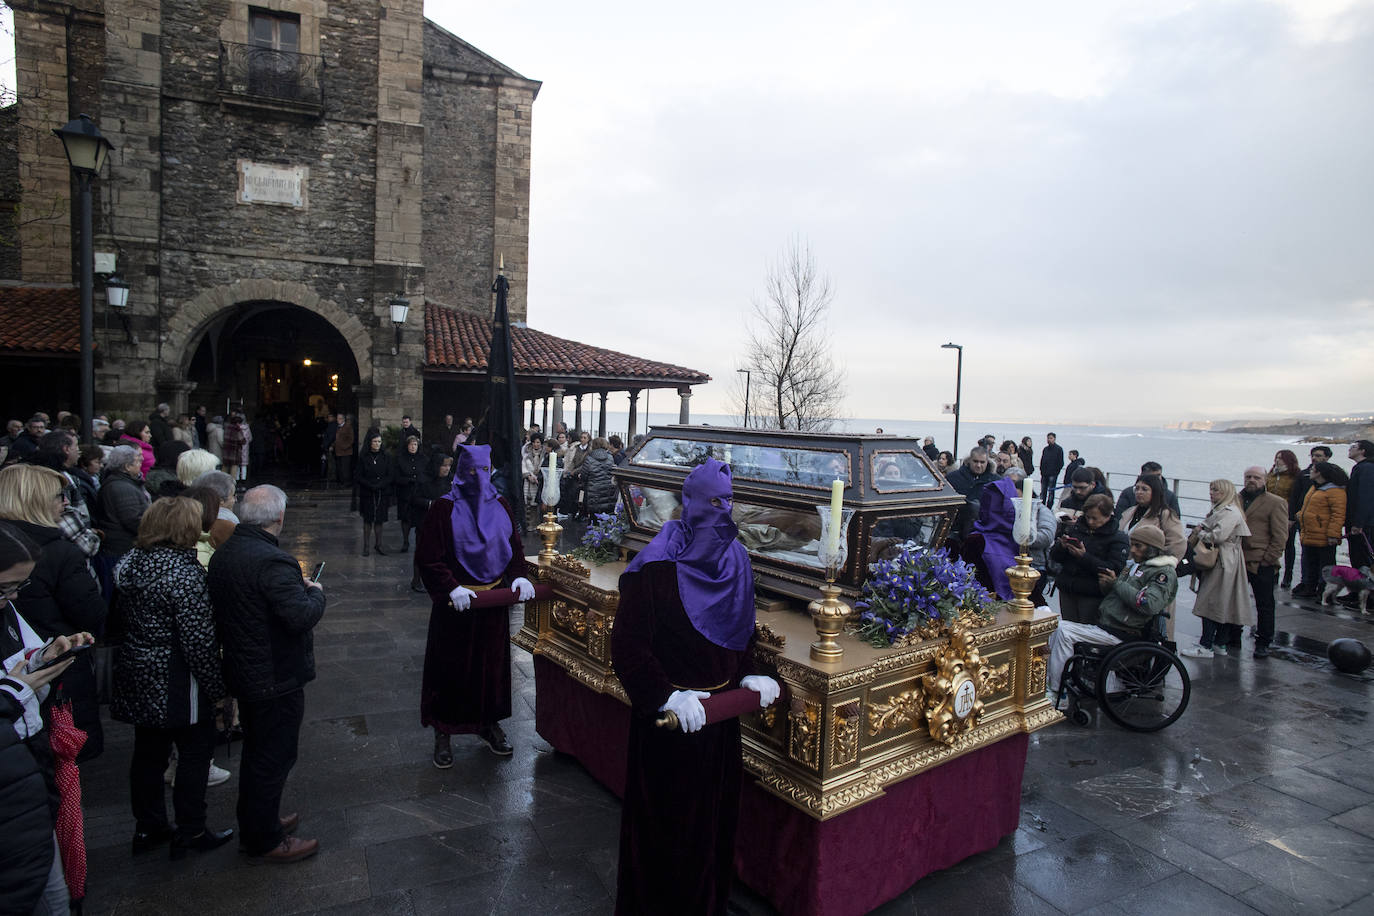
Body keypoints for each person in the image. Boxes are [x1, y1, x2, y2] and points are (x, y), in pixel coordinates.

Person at [611, 459, 780, 915]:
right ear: (693, 503)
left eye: (730, 500)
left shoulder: (738, 559)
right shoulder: (656, 568)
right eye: (715, 501)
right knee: (665, 828)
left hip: (721, 720)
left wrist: (748, 672)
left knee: (714, 821)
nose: (725, 510)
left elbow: (740, 628)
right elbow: (627, 647)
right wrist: (665, 696)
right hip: (670, 724)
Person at [206, 485, 324, 864]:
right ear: (280, 517)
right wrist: (315, 592)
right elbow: (301, 616)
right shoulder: (272, 561)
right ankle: (264, 838)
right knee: (272, 757)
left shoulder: (228, 552)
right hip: (274, 675)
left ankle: (261, 820)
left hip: (246, 669)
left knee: (259, 752)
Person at [112, 497, 233, 859]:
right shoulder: (183, 573)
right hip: (175, 678)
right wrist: (216, 689)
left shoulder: (131, 562)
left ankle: (149, 826)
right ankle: (191, 830)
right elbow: (198, 641)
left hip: (137, 670)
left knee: (148, 753)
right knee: (195, 751)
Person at [416, 445, 535, 764]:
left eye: (484, 471)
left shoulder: (501, 505)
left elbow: (515, 547)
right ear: (461, 471)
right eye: (472, 471)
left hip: (493, 604)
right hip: (457, 607)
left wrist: (519, 576)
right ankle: (443, 731)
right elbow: (428, 557)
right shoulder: (443, 509)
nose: (478, 478)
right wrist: (449, 587)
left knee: (490, 669)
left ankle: (488, 723)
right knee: (450, 669)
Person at [0, 521, 94, 916]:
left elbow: (18, 658)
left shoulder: (9, 610)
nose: (13, 597)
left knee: (54, 894)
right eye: (5, 588)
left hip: (24, 775)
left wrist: (43, 657)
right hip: (10, 794)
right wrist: (12, 693)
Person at [0, 465, 107, 759]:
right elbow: (90, 612)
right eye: (59, 495)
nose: (66, 503)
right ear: (34, 499)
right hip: (55, 674)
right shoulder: (58, 552)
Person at [1047, 525, 1178, 695]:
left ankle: (1058, 692)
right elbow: (1119, 595)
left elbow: (1149, 604)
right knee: (1053, 627)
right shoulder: (1134, 566)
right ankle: (1058, 680)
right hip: (1109, 624)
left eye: (1138, 546)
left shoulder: (1163, 573)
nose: (1132, 550)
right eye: (1132, 544)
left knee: (1064, 631)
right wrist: (1107, 586)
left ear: (1152, 549)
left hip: (1124, 631)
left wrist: (1116, 584)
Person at [1180, 479, 1253, 659]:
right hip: (1228, 560)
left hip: (1222, 561)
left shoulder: (1229, 512)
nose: (1212, 493)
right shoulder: (1228, 511)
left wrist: (1200, 532)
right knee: (1224, 603)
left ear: (1225, 493)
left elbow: (1218, 536)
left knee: (1211, 602)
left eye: (1216, 490)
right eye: (1211, 490)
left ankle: (1207, 645)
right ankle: (1219, 643)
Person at [1050, 493, 1129, 624]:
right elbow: (1056, 557)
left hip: (1092, 593)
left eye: (1095, 518)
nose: (1090, 522)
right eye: (1088, 517)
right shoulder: (1076, 529)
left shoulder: (1118, 539)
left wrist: (1084, 557)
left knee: (1086, 632)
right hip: (1068, 588)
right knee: (1067, 629)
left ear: (1108, 516)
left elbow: (1113, 568)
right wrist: (1062, 547)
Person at [1239, 467, 1288, 658]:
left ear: (1265, 479)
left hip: (1261, 561)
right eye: (1248, 476)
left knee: (1265, 604)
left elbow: (1280, 535)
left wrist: (1268, 559)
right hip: (1237, 559)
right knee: (1234, 600)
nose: (1251, 480)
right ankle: (1232, 636)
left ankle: (1264, 641)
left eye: (1256, 477)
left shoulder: (1276, 503)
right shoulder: (1236, 499)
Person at [1292, 462, 1348, 598]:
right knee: (1311, 563)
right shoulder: (1314, 488)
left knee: (1326, 566)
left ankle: (1325, 592)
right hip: (1310, 533)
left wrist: (1333, 535)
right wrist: (1300, 516)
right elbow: (1309, 508)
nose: (1310, 471)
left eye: (1313, 469)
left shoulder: (1335, 491)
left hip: (1324, 535)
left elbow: (1338, 515)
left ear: (1320, 473)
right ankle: (1310, 588)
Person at [94, 445, 151, 564]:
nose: (141, 463)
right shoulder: (121, 488)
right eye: (137, 461)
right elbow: (133, 520)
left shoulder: (122, 483)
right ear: (127, 466)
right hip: (121, 550)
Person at [408, 451, 454, 593]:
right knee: (423, 551)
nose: (446, 468)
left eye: (448, 466)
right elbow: (415, 498)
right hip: (425, 521)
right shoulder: (423, 479)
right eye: (443, 466)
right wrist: (431, 504)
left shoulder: (449, 480)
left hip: (444, 521)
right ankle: (417, 580)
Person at [1118, 475, 1186, 562]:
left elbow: (1178, 544)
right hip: (1125, 564)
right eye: (1137, 488)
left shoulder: (1165, 515)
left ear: (1155, 492)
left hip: (1149, 566)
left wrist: (1158, 562)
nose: (1139, 492)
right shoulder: (1129, 512)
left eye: (1144, 489)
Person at [944, 448, 997, 541]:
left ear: (987, 462)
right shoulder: (952, 478)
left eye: (982, 462)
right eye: (975, 461)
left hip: (984, 531)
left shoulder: (996, 482)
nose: (978, 465)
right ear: (969, 461)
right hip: (955, 529)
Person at [355, 428, 394, 556]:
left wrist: (380, 485)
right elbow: (358, 475)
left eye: (379, 441)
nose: (377, 444)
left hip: (382, 492)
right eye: (375, 441)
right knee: (368, 519)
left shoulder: (386, 456)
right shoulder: (364, 457)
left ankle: (379, 544)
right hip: (368, 492)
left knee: (379, 520)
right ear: (370, 443)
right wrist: (370, 485)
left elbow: (390, 475)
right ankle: (366, 546)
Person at [1267, 449, 1302, 589]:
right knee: (1270, 543)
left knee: (1288, 545)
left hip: (1286, 514)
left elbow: (1296, 497)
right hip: (1269, 513)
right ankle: (1273, 572)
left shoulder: (1295, 476)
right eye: (1276, 457)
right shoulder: (1271, 474)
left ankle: (1288, 575)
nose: (1277, 460)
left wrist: (1292, 516)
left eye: (1281, 458)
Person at [1112, 462, 1180, 518]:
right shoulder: (1128, 493)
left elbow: (1176, 520)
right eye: (1152, 477)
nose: (1156, 479)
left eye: (1158, 475)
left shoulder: (1170, 496)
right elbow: (1119, 516)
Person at [1346, 440, 1374, 574]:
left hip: (1363, 524)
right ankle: (1357, 592)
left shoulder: (1366, 468)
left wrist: (1358, 523)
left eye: (1354, 447)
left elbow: (1365, 497)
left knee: (1362, 559)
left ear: (1362, 451)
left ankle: (1364, 593)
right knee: (1357, 558)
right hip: (1361, 521)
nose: (1350, 449)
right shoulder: (1361, 467)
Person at [393, 436, 426, 552]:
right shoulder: (400, 459)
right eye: (411, 445)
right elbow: (396, 476)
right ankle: (405, 541)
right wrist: (408, 480)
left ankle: (419, 542)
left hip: (419, 493)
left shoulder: (423, 459)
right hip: (405, 492)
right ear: (407, 446)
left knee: (419, 518)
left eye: (415, 445)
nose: (413, 447)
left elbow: (426, 474)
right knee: (405, 518)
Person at [192, 470, 239, 548]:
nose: (235, 500)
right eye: (233, 495)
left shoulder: (188, 513)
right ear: (220, 500)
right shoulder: (228, 521)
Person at [578, 436, 619, 517]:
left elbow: (584, 477)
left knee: (594, 519)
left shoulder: (589, 458)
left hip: (593, 493)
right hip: (608, 492)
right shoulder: (610, 457)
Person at [221, 412, 251, 483]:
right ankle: (232, 483)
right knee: (234, 469)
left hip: (226, 451)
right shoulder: (237, 430)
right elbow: (242, 441)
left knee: (225, 467)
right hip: (234, 452)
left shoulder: (227, 428)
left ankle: (221, 481)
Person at [521, 432, 546, 513]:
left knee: (537, 505)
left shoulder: (544, 455)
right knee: (527, 505)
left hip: (539, 482)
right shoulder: (526, 454)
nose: (536, 444)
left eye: (538, 442)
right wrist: (528, 476)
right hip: (528, 481)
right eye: (534, 442)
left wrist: (538, 477)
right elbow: (523, 466)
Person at [332, 414, 355, 488]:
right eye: (337, 418)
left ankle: (347, 482)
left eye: (339, 418)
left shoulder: (348, 427)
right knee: (340, 468)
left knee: (345, 468)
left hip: (346, 452)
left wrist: (344, 447)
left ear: (342, 419)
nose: (337, 420)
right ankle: (342, 482)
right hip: (338, 452)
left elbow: (351, 439)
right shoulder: (338, 427)